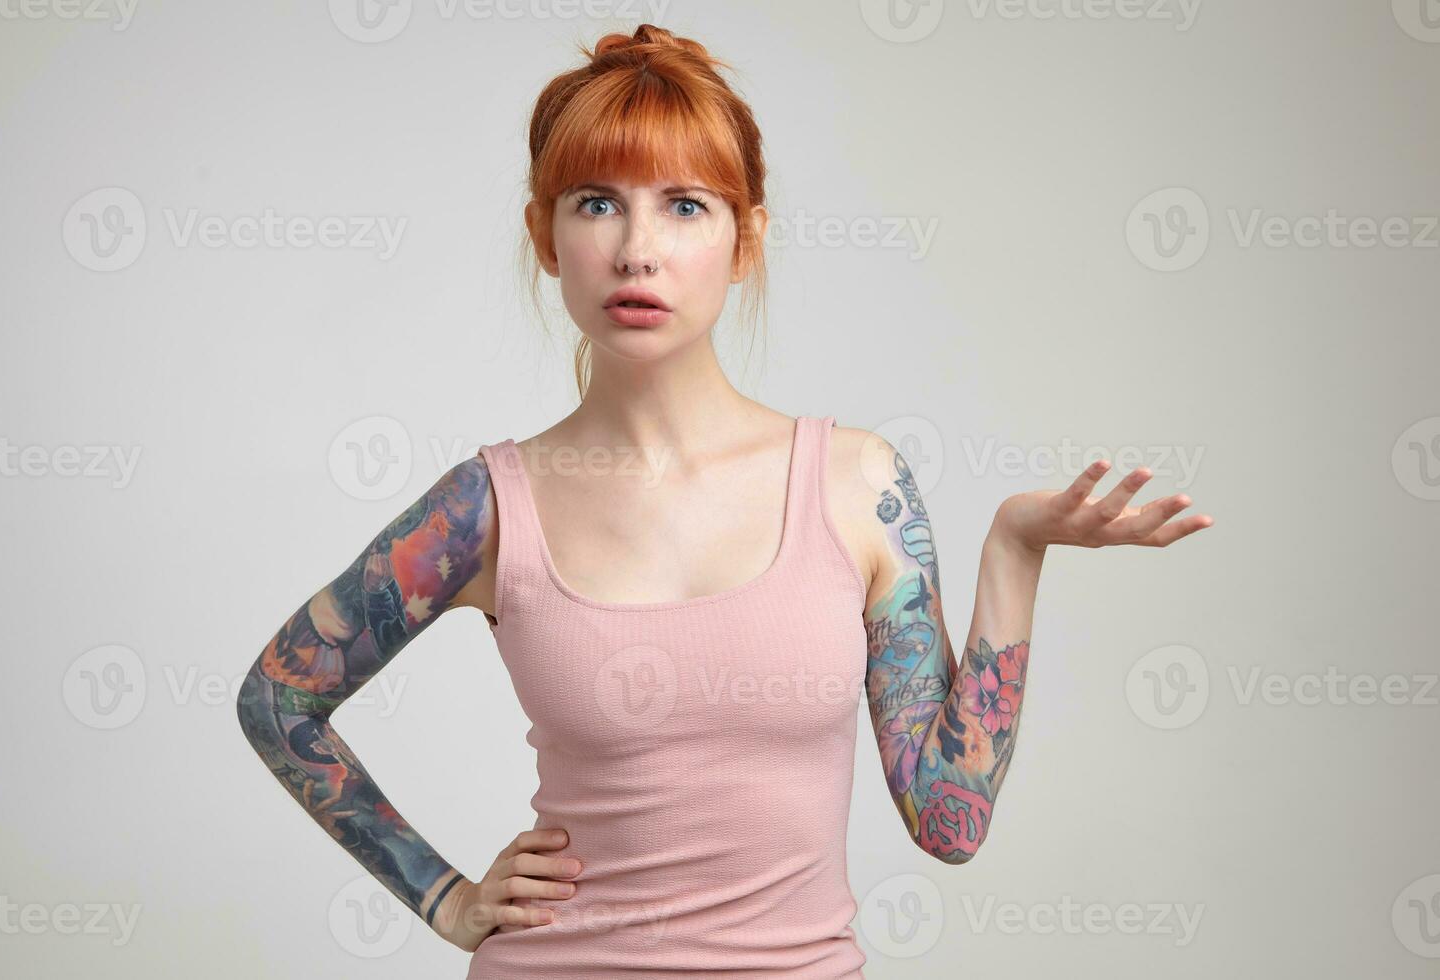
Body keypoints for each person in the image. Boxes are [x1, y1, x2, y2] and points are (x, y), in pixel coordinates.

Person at [236, 22, 1213, 977]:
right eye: (594, 203)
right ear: (544, 234)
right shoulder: (488, 508)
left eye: (686, 206)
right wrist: (444, 894)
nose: (636, 249)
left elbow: (948, 819)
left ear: (746, 241)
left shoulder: (855, 484)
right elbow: (280, 698)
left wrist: (1015, 550)